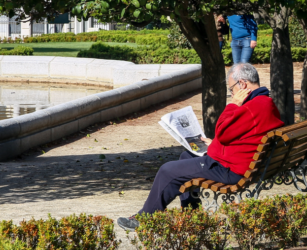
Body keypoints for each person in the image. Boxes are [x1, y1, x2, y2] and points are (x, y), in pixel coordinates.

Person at [117, 63, 284, 231]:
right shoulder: (265, 102)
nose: (231, 94)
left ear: (242, 84)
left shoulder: (250, 107)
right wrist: (215, 144)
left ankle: (144, 219)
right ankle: (192, 216)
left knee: (167, 170)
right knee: (186, 156)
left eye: (231, 89)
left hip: (230, 170)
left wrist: (233, 104)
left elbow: (223, 132)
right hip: (243, 164)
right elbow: (245, 136)